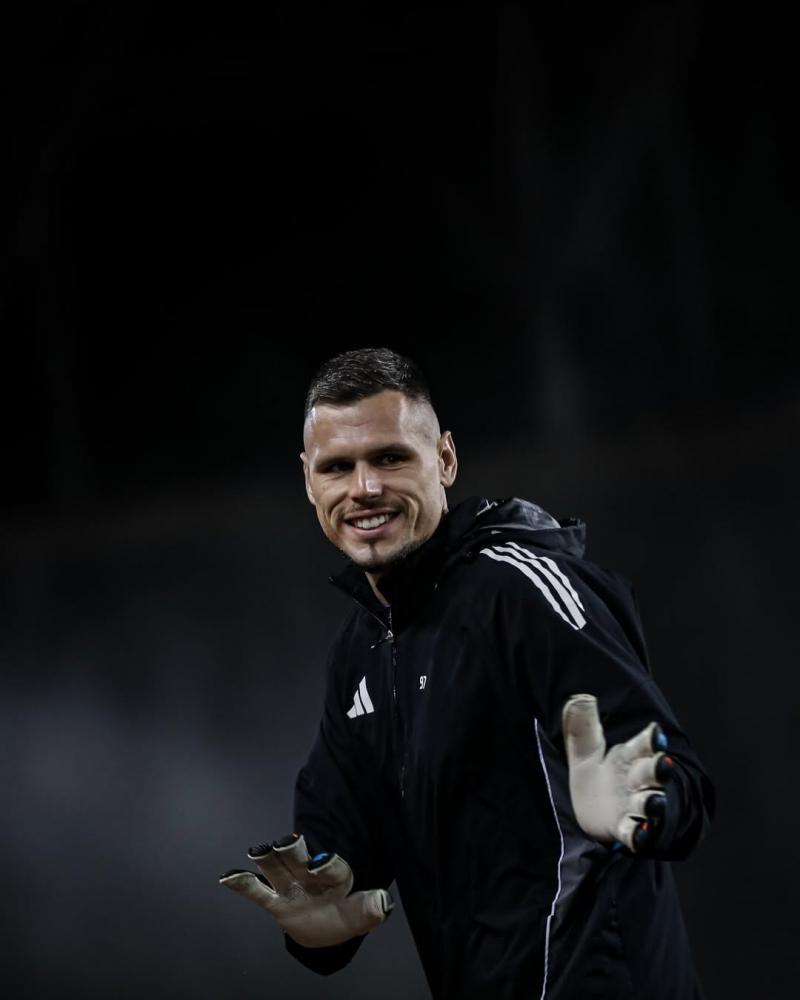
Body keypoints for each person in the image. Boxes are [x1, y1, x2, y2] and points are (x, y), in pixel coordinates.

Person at [221, 347, 714, 999]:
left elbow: (676, 778)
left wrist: (643, 804)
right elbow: (337, 866)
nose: (364, 489)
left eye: (390, 458)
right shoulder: (360, 652)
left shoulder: (523, 591)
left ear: (445, 459)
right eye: (337, 467)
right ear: (310, 482)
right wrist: (317, 929)